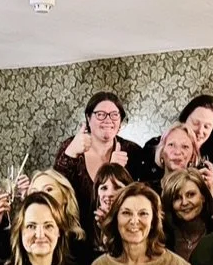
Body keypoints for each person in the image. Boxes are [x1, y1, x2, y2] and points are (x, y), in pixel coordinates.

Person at [53, 92, 145, 227]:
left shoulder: (132, 150)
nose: (108, 120)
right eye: (100, 114)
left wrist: (114, 172)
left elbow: (142, 198)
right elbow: (55, 191)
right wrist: (70, 153)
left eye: (114, 114)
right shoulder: (71, 145)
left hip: (119, 231)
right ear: (88, 118)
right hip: (76, 231)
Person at [143, 95, 213, 182]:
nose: (200, 131)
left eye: (206, 127)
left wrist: (211, 188)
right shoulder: (154, 146)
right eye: (195, 123)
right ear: (184, 120)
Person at [27, 168, 94, 265]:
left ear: (65, 197)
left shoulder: (79, 245)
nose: (41, 196)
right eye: (35, 192)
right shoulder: (24, 240)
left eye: (48, 189)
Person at [161, 169, 213, 261]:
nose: (184, 202)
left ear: (203, 197)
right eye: (177, 198)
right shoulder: (161, 236)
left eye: (191, 194)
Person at [145, 123, 213, 195]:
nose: (177, 152)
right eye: (171, 145)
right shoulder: (146, 190)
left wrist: (209, 191)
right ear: (161, 152)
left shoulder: (198, 192)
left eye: (185, 147)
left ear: (192, 156)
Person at [91, 163, 134, 252]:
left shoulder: (135, 223)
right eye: (104, 188)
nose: (109, 193)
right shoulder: (88, 223)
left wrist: (109, 230)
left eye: (117, 187)